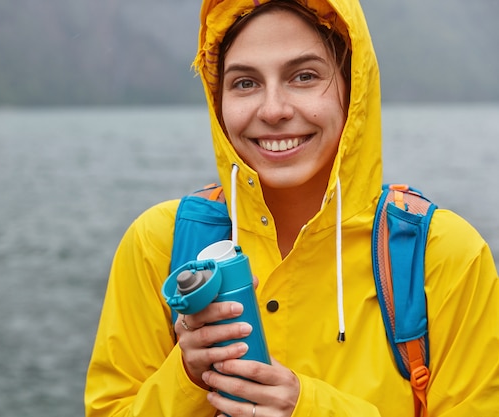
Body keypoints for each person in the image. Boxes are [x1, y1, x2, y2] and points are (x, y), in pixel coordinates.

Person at [85, 0, 499, 416]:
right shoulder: (160, 244)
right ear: (218, 100)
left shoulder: (441, 257)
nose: (274, 110)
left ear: (352, 88)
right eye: (245, 83)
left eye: (304, 76)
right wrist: (188, 377)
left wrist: (309, 408)